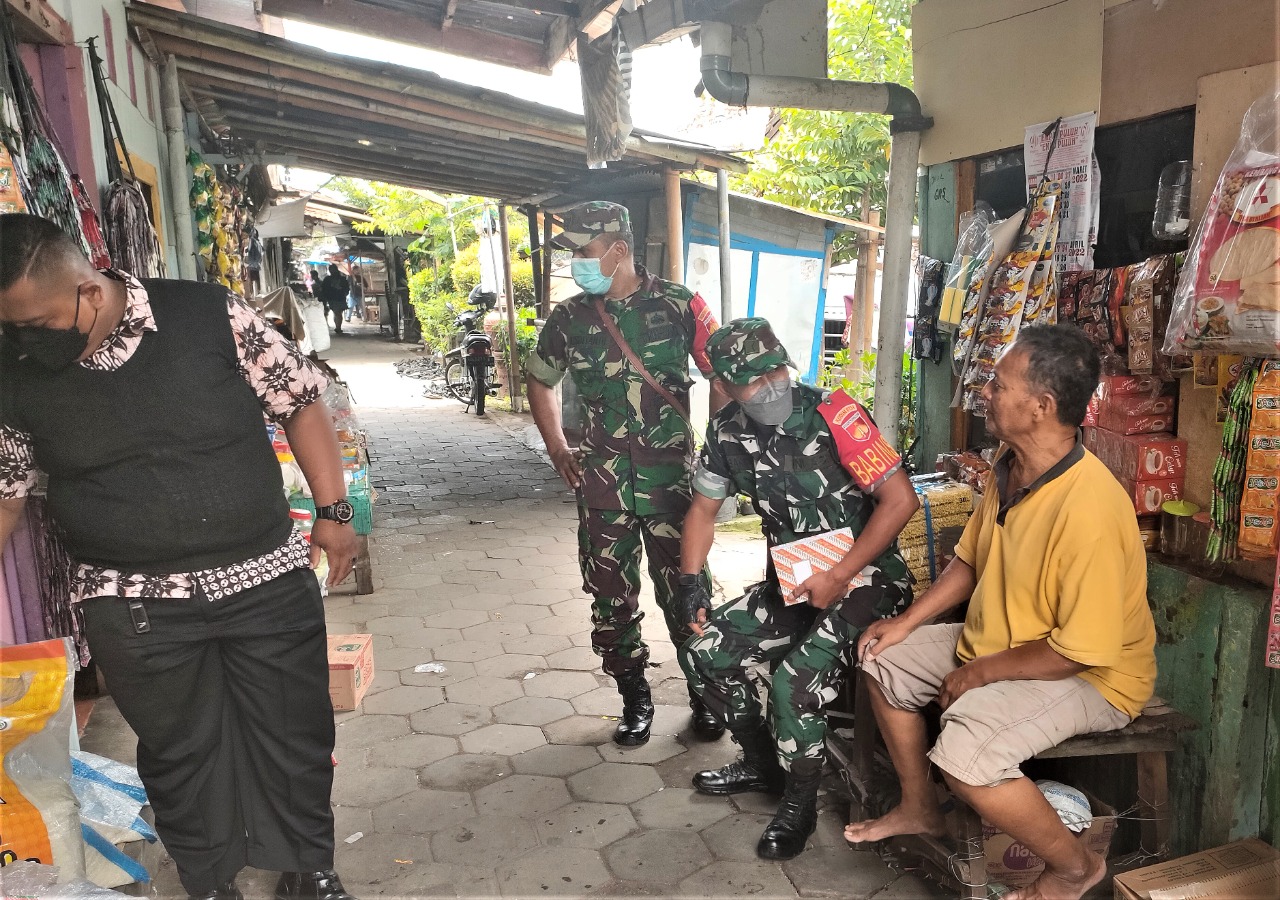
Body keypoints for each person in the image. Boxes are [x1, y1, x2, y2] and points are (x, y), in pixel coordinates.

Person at [0, 214, 360, 900]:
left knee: (293, 733)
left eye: (37, 325)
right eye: (10, 328)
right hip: (127, 601)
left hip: (262, 575)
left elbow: (301, 401)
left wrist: (333, 513)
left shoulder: (205, 314)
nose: (25, 342)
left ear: (90, 290)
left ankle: (307, 866)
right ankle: (209, 877)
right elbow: (7, 490)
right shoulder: (13, 372)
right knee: (181, 751)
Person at [845, 324, 1157, 900]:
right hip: (1008, 641)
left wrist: (976, 673)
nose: (986, 392)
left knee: (965, 754)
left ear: (1041, 407)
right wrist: (907, 622)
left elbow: (1077, 650)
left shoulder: (1090, 507)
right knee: (881, 658)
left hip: (1093, 675)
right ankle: (920, 808)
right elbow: (970, 559)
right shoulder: (1009, 468)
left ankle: (1075, 869)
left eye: (999, 383)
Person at [676, 318, 919, 861]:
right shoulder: (725, 434)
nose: (772, 386)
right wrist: (691, 584)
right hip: (794, 583)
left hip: (867, 582)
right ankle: (762, 763)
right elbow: (703, 510)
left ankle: (800, 803)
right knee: (704, 651)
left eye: (777, 370)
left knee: (794, 683)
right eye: (753, 381)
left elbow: (901, 501)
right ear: (724, 386)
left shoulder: (837, 414)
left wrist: (840, 574)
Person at [526, 201, 728, 747]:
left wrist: (721, 454)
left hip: (671, 484)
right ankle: (634, 696)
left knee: (687, 590)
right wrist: (557, 446)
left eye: (584, 252)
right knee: (611, 599)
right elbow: (540, 380)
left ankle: (705, 694)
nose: (576, 264)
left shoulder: (679, 304)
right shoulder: (568, 318)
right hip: (602, 485)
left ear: (619, 250)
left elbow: (721, 376)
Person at [318, 264, 349, 334]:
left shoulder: (340, 279)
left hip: (338, 298)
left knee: (337, 313)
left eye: (332, 269)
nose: (332, 271)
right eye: (330, 270)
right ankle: (338, 327)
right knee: (337, 313)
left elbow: (346, 288)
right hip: (334, 298)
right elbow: (323, 288)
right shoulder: (329, 279)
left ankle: (338, 327)